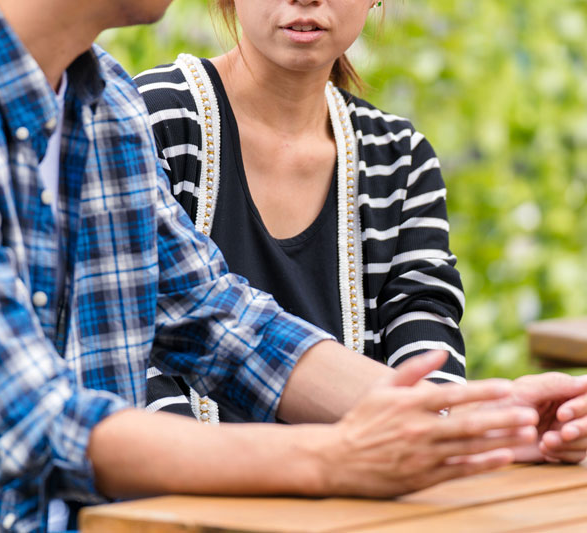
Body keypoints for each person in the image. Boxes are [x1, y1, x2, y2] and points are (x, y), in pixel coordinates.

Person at [0, 0, 584, 531]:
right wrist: (331, 460)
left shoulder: (101, 106)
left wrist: (485, 422)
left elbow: (221, 322)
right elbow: (31, 421)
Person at [134, 0, 587, 462]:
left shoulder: (398, 159)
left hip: (360, 499)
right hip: (186, 495)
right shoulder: (151, 120)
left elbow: (423, 333)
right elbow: (143, 346)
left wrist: (481, 425)